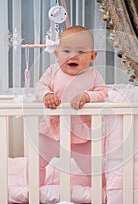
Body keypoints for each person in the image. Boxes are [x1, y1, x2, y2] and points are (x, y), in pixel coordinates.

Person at [35, 25, 107, 186]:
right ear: (57, 53)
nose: (73, 56)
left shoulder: (93, 75)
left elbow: (103, 94)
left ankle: (101, 192)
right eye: (66, 51)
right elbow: (39, 87)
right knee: (36, 161)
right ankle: (33, 191)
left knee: (93, 167)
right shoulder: (53, 71)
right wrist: (47, 95)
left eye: (80, 52)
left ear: (92, 56)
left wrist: (88, 96)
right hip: (52, 129)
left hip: (82, 132)